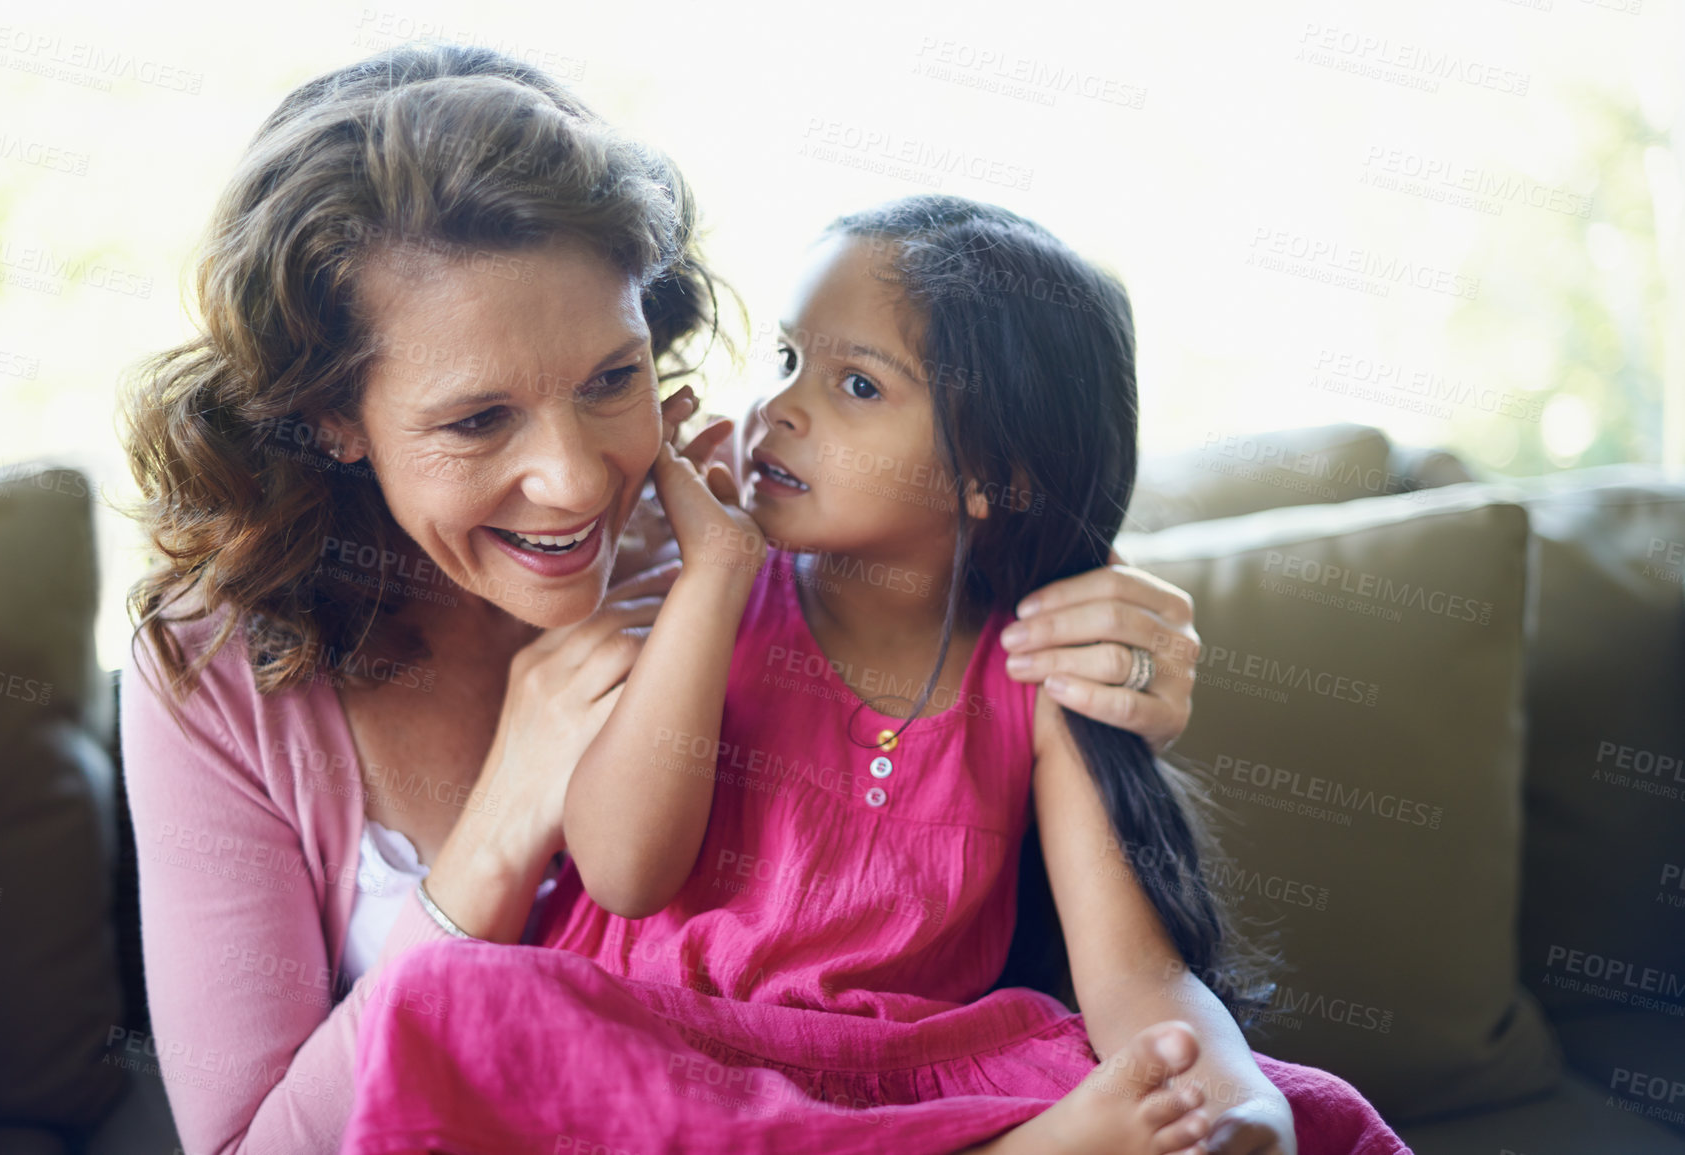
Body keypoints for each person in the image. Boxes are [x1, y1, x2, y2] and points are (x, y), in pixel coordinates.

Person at [116, 44, 1207, 1155]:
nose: (580, 481)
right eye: (476, 420)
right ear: (332, 415)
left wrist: (1101, 653)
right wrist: (501, 825)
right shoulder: (213, 679)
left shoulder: (748, 546)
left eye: (611, 380)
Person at [335, 199, 1406, 1153]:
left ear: (994, 473)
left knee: (1315, 1110)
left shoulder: (1035, 672)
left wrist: (1230, 1103)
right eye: (787, 361)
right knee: (449, 1002)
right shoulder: (693, 591)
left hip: (903, 1093)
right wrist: (713, 579)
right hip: (668, 1060)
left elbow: (1139, 976)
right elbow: (623, 872)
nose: (786, 409)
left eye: (856, 384)